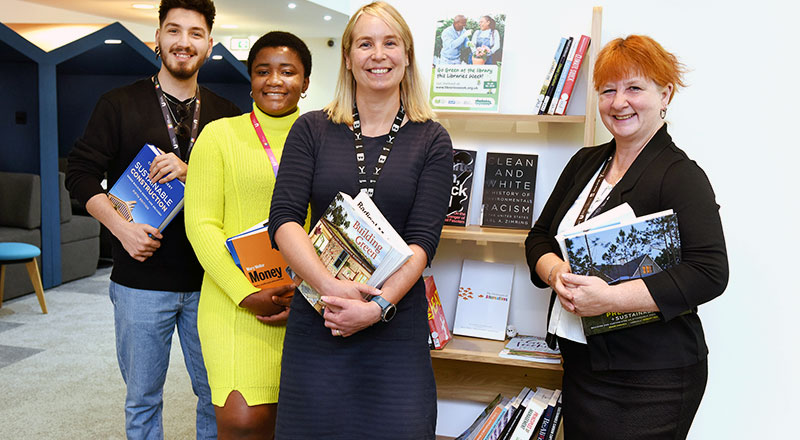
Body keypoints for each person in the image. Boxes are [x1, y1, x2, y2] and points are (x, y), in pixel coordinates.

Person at [525, 35, 728, 440]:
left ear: (665, 94)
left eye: (634, 88)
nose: (619, 102)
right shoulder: (586, 162)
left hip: (653, 379)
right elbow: (539, 239)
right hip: (584, 365)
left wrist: (610, 299)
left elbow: (709, 272)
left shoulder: (680, 175)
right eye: (608, 90)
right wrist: (558, 275)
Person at [267, 2, 453, 438]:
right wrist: (332, 290)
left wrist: (376, 306)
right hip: (320, 322)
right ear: (348, 58)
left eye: (391, 43)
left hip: (394, 331)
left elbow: (423, 241)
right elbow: (284, 220)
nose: (378, 54)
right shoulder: (311, 129)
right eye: (365, 44)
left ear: (407, 56)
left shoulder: (432, 139)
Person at [65, 1, 241, 438]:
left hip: (212, 282)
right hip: (139, 281)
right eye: (174, 31)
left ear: (210, 45)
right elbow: (81, 177)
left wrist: (193, 171)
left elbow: (241, 191)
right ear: (157, 39)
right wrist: (121, 228)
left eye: (195, 33)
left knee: (214, 394)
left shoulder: (228, 115)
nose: (184, 43)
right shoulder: (118, 104)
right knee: (143, 399)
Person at [183, 31, 311, 440]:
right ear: (250, 79)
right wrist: (244, 292)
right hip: (236, 303)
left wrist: (312, 292)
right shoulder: (219, 136)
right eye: (262, 71)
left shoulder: (326, 136)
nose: (274, 80)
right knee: (243, 422)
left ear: (306, 82)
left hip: (307, 299)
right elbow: (201, 224)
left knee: (298, 422)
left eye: (288, 71)